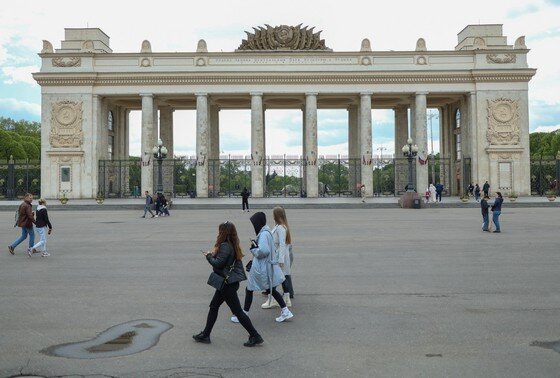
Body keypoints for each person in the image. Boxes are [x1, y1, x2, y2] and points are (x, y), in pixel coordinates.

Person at [193, 221, 264, 347]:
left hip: (227, 285)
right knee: (214, 307)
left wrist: (209, 256)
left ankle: (255, 335)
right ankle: (206, 334)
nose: (218, 233)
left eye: (220, 230)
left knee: (238, 312)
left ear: (223, 232)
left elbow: (218, 264)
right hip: (225, 283)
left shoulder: (225, 246)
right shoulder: (231, 244)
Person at [232, 212, 294, 323]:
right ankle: (285, 311)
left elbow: (264, 251)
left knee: (250, 289)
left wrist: (253, 249)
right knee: (271, 289)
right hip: (267, 266)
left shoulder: (264, 234)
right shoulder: (267, 232)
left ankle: (244, 314)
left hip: (262, 268)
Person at [263, 207, 294, 308]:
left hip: (279, 257)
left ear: (276, 215)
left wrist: (280, 260)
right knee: (282, 277)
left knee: (274, 278)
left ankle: (272, 298)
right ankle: (286, 298)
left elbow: (282, 244)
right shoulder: (279, 226)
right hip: (279, 255)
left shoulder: (280, 228)